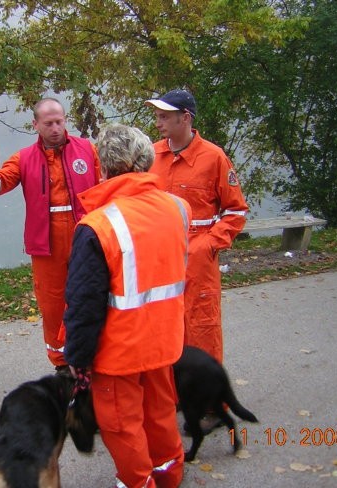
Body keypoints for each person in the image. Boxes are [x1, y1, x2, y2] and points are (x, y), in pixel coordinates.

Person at [63, 124, 190, 488]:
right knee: (161, 413)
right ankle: (169, 475)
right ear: (147, 160)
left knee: (121, 424)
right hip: (165, 341)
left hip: (119, 351)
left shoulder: (98, 224)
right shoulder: (178, 208)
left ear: (104, 165)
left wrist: (78, 356)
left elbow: (84, 303)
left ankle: (138, 483)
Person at [145, 89, 249, 430]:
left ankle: (210, 406)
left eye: (164, 115)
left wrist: (206, 246)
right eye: (157, 115)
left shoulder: (214, 157)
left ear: (185, 117)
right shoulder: (151, 156)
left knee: (202, 332)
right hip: (160, 263)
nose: (158, 121)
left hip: (198, 265)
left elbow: (235, 212)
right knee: (164, 331)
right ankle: (175, 395)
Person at [0, 98, 101, 373]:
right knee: (53, 302)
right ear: (36, 125)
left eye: (59, 121)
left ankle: (94, 357)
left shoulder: (87, 150)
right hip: (47, 241)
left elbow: (108, 184)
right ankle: (61, 364)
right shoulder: (24, 158)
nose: (56, 128)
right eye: (48, 123)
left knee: (91, 295)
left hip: (87, 234)